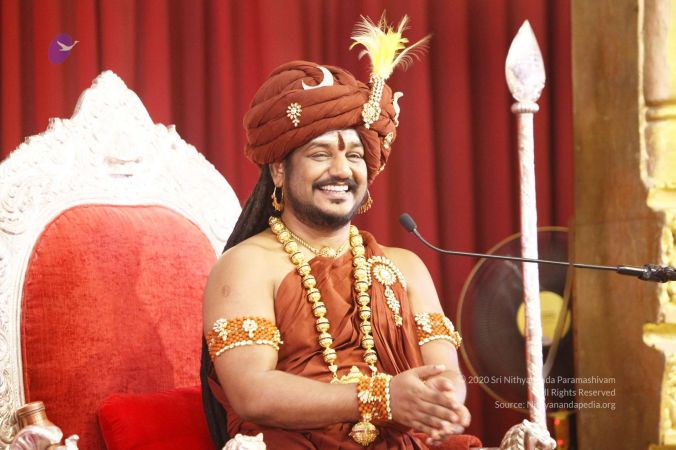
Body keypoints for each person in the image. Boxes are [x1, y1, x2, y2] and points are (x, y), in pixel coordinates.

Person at [200, 15, 480, 450]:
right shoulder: (246, 265)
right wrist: (380, 398)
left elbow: (445, 376)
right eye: (320, 154)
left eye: (354, 154)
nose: (341, 170)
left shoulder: (405, 266)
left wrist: (443, 403)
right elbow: (251, 393)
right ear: (279, 170)